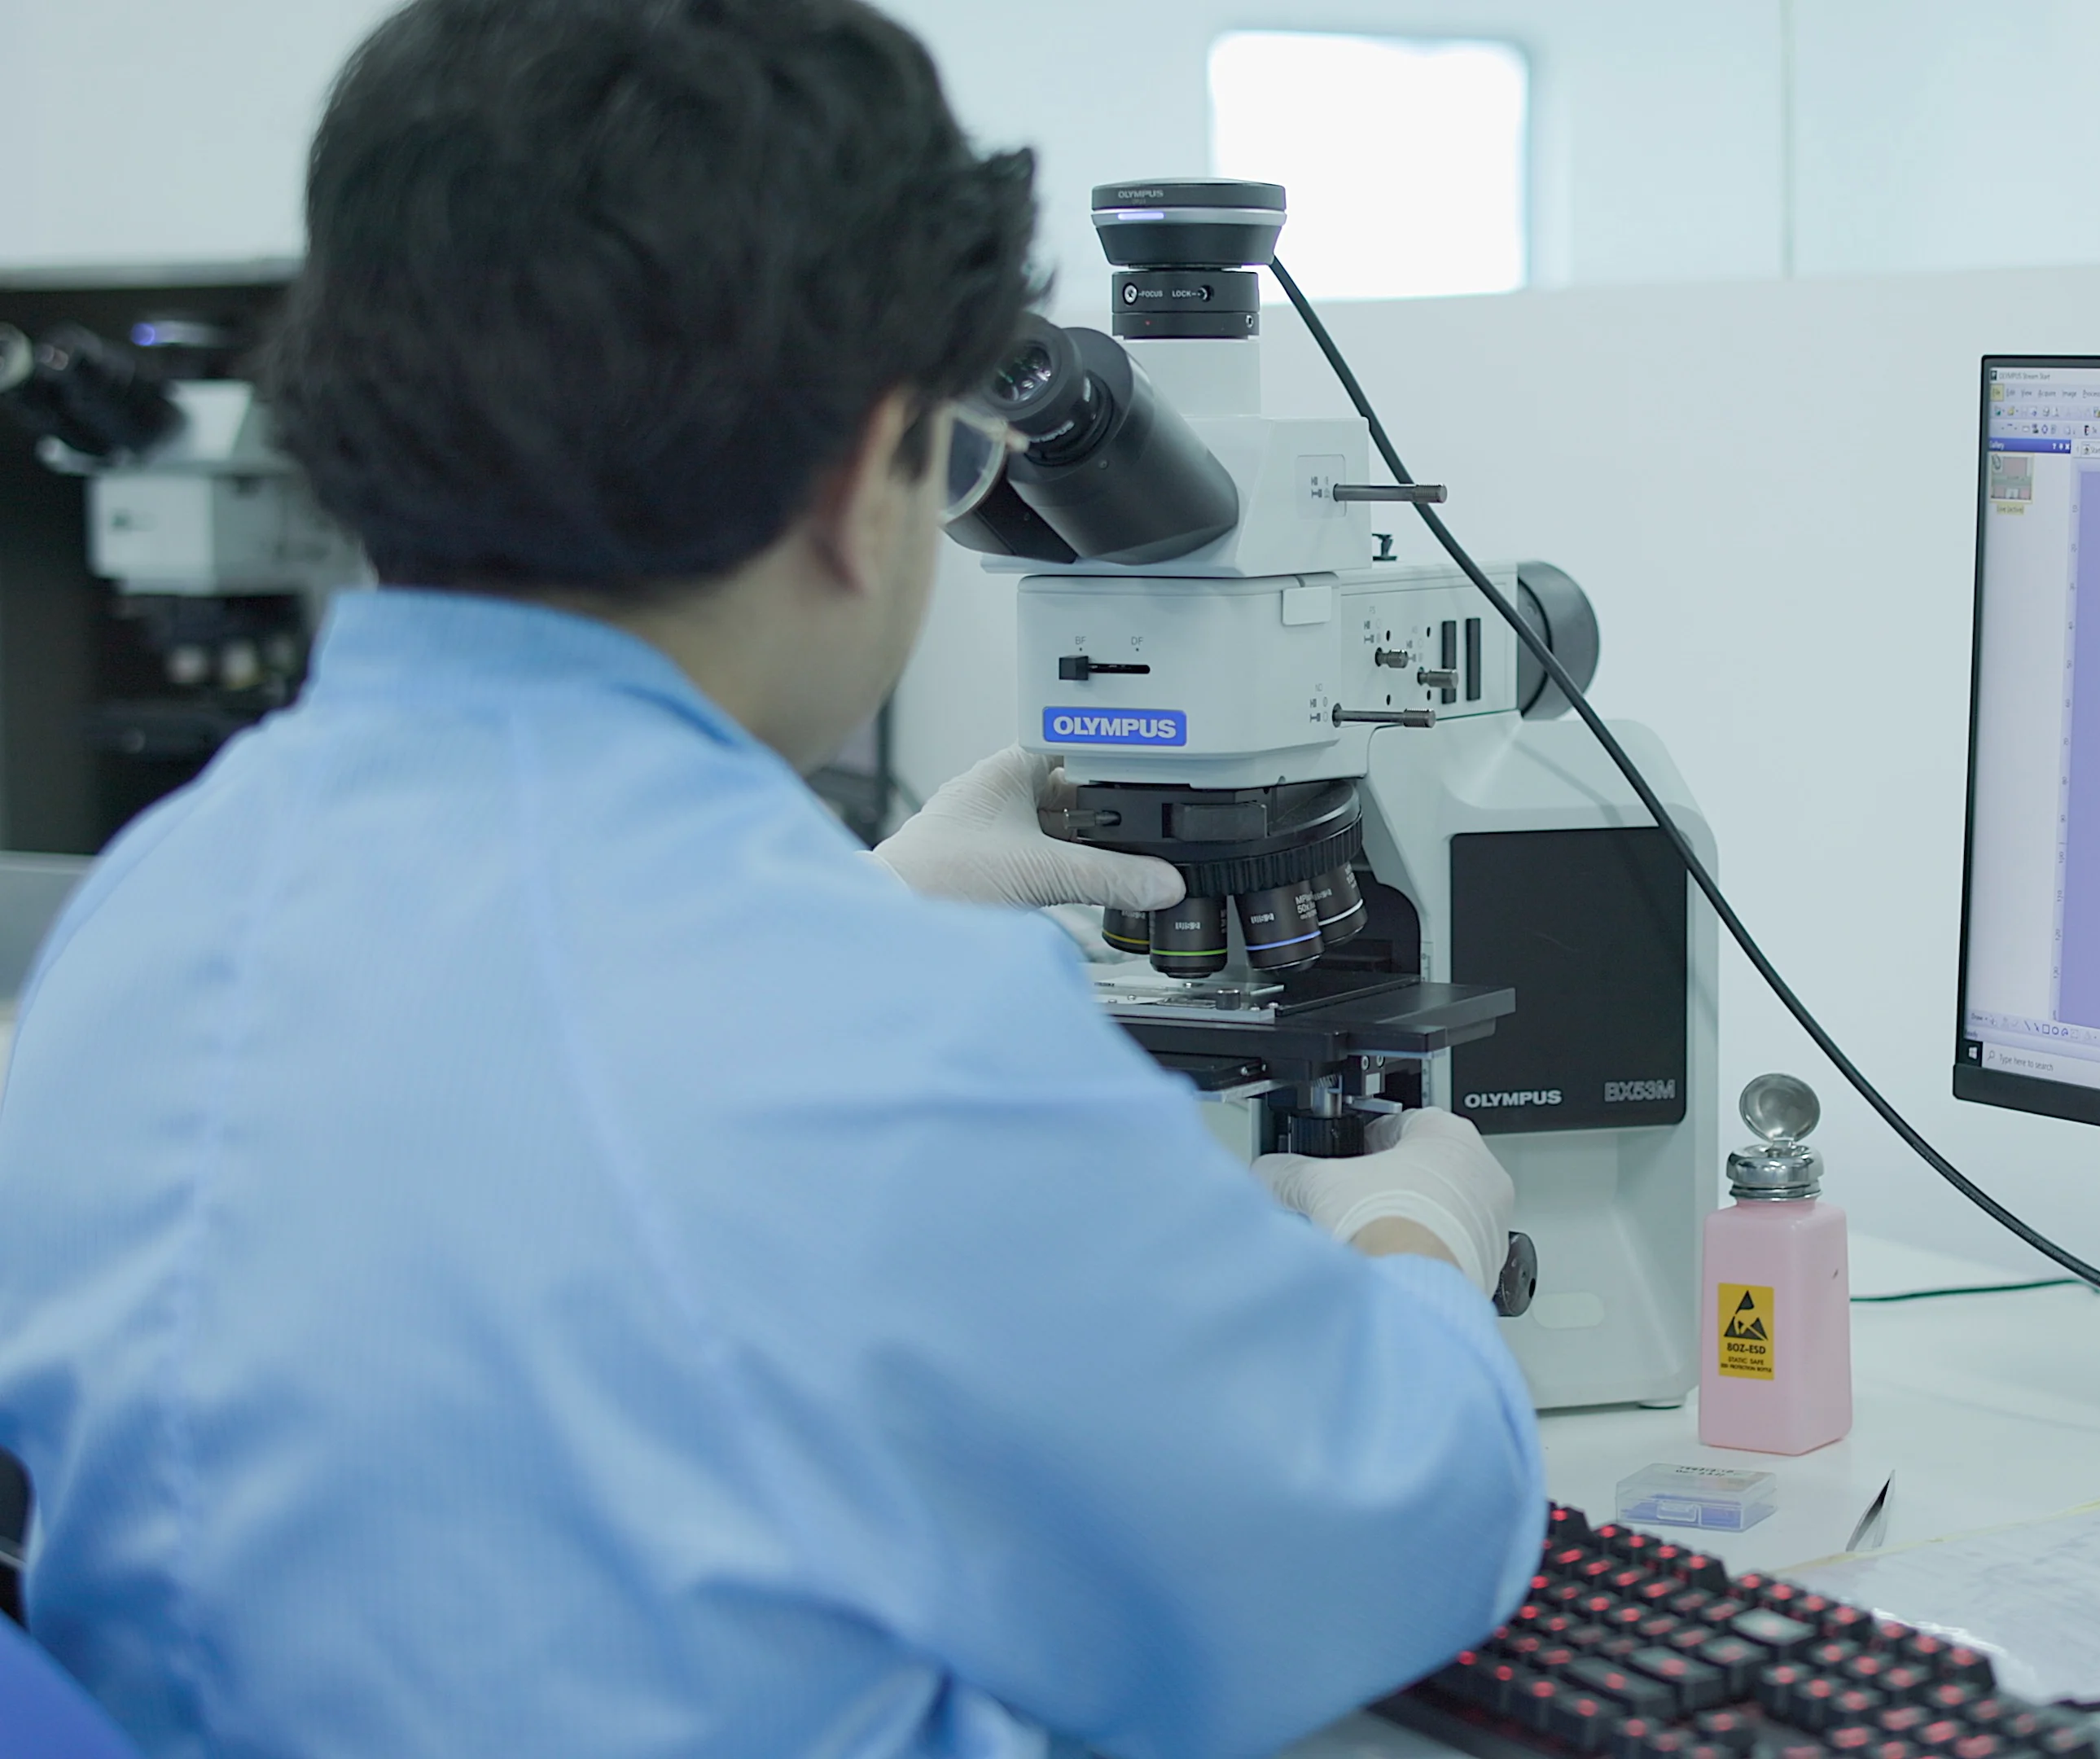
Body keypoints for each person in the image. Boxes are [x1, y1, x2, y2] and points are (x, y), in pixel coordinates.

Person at [0, 2, 1544, 1754]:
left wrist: (859, 910)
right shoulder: (893, 1055)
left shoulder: (146, 916)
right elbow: (1367, 1547)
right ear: (853, 481)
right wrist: (1412, 1236)